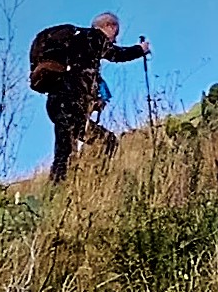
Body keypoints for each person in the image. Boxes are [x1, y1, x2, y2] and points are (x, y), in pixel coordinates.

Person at [25, 12, 149, 180]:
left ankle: (61, 190)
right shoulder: (94, 37)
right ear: (108, 26)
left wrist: (93, 100)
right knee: (105, 142)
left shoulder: (75, 42)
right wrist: (140, 50)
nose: (115, 40)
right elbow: (117, 55)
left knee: (65, 153)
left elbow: (81, 75)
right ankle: (96, 181)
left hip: (56, 102)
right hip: (70, 104)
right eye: (116, 34)